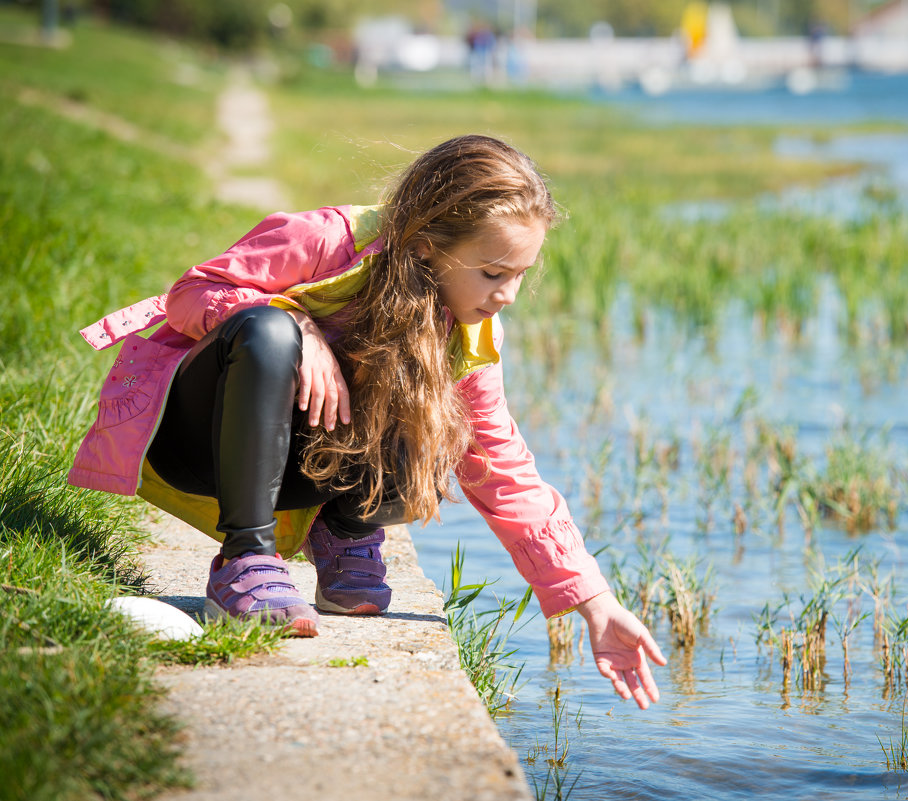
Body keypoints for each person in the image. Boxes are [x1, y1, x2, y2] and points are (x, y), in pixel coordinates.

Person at [69, 135, 666, 709]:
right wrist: (299, 327)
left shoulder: (471, 333)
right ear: (430, 242)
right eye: (491, 273)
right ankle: (243, 559)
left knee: (444, 415)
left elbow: (503, 469)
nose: (507, 293)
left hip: (305, 464)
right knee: (269, 331)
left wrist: (595, 602)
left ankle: (347, 531)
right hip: (202, 439)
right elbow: (191, 293)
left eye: (519, 274)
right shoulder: (328, 239)